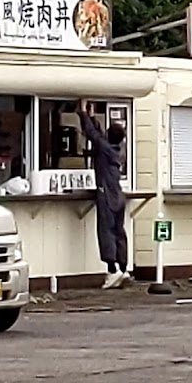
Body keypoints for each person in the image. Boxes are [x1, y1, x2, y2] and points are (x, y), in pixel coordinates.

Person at [76, 99, 129, 289]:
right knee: (119, 231)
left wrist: (82, 114)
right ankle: (123, 267)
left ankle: (112, 270)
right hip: (119, 195)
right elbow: (99, 136)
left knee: (105, 231)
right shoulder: (118, 149)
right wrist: (91, 116)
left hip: (106, 193)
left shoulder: (105, 148)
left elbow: (93, 135)